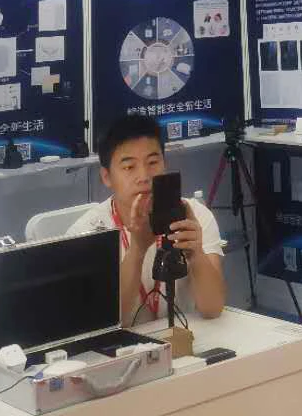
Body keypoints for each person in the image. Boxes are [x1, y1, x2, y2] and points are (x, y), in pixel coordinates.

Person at [67, 114, 225, 324]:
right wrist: (137, 249)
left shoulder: (193, 216)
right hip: (126, 342)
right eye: (129, 167)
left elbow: (213, 309)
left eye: (152, 162)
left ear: (164, 164)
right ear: (106, 177)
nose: (144, 176)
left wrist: (196, 254)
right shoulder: (87, 233)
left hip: (186, 334)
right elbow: (107, 322)